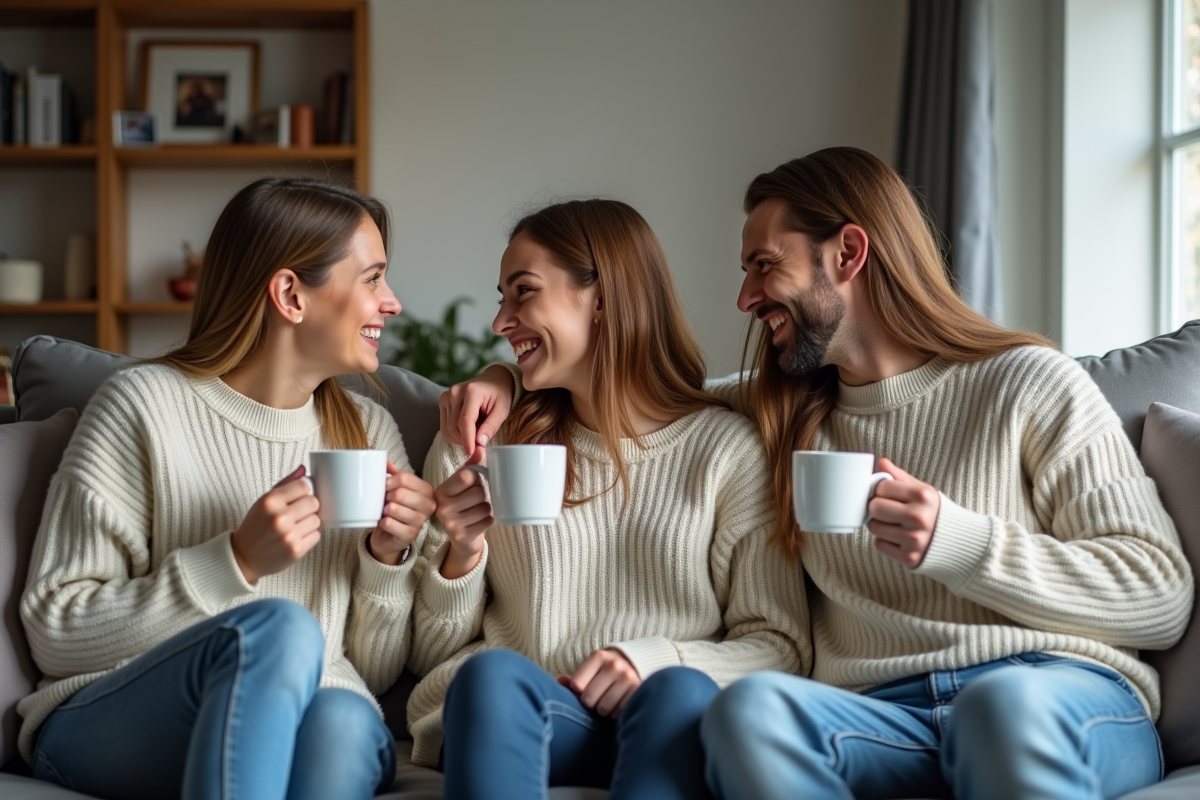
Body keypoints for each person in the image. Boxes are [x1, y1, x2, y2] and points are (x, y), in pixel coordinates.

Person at [439, 148, 1195, 800]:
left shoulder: (1029, 383)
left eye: (764, 266)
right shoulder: (781, 412)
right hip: (881, 716)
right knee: (748, 713)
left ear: (849, 253)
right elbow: (643, 408)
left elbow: (1159, 595)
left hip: (1059, 695)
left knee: (1003, 710)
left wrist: (959, 542)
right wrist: (506, 382)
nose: (744, 298)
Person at [19, 177, 436, 800]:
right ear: (291, 294)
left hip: (307, 718)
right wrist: (235, 562)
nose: (393, 302)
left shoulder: (368, 432)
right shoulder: (145, 406)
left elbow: (372, 670)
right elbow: (57, 631)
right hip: (120, 716)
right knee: (284, 629)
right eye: (372, 279)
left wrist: (386, 559)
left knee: (346, 721)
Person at [405, 199, 809, 800]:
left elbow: (780, 647)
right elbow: (429, 655)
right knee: (489, 677)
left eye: (523, 292)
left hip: (667, 719)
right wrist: (462, 552)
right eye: (501, 298)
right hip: (531, 717)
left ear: (603, 298)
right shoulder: (482, 438)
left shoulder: (727, 452)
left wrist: (650, 659)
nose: (500, 323)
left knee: (679, 689)